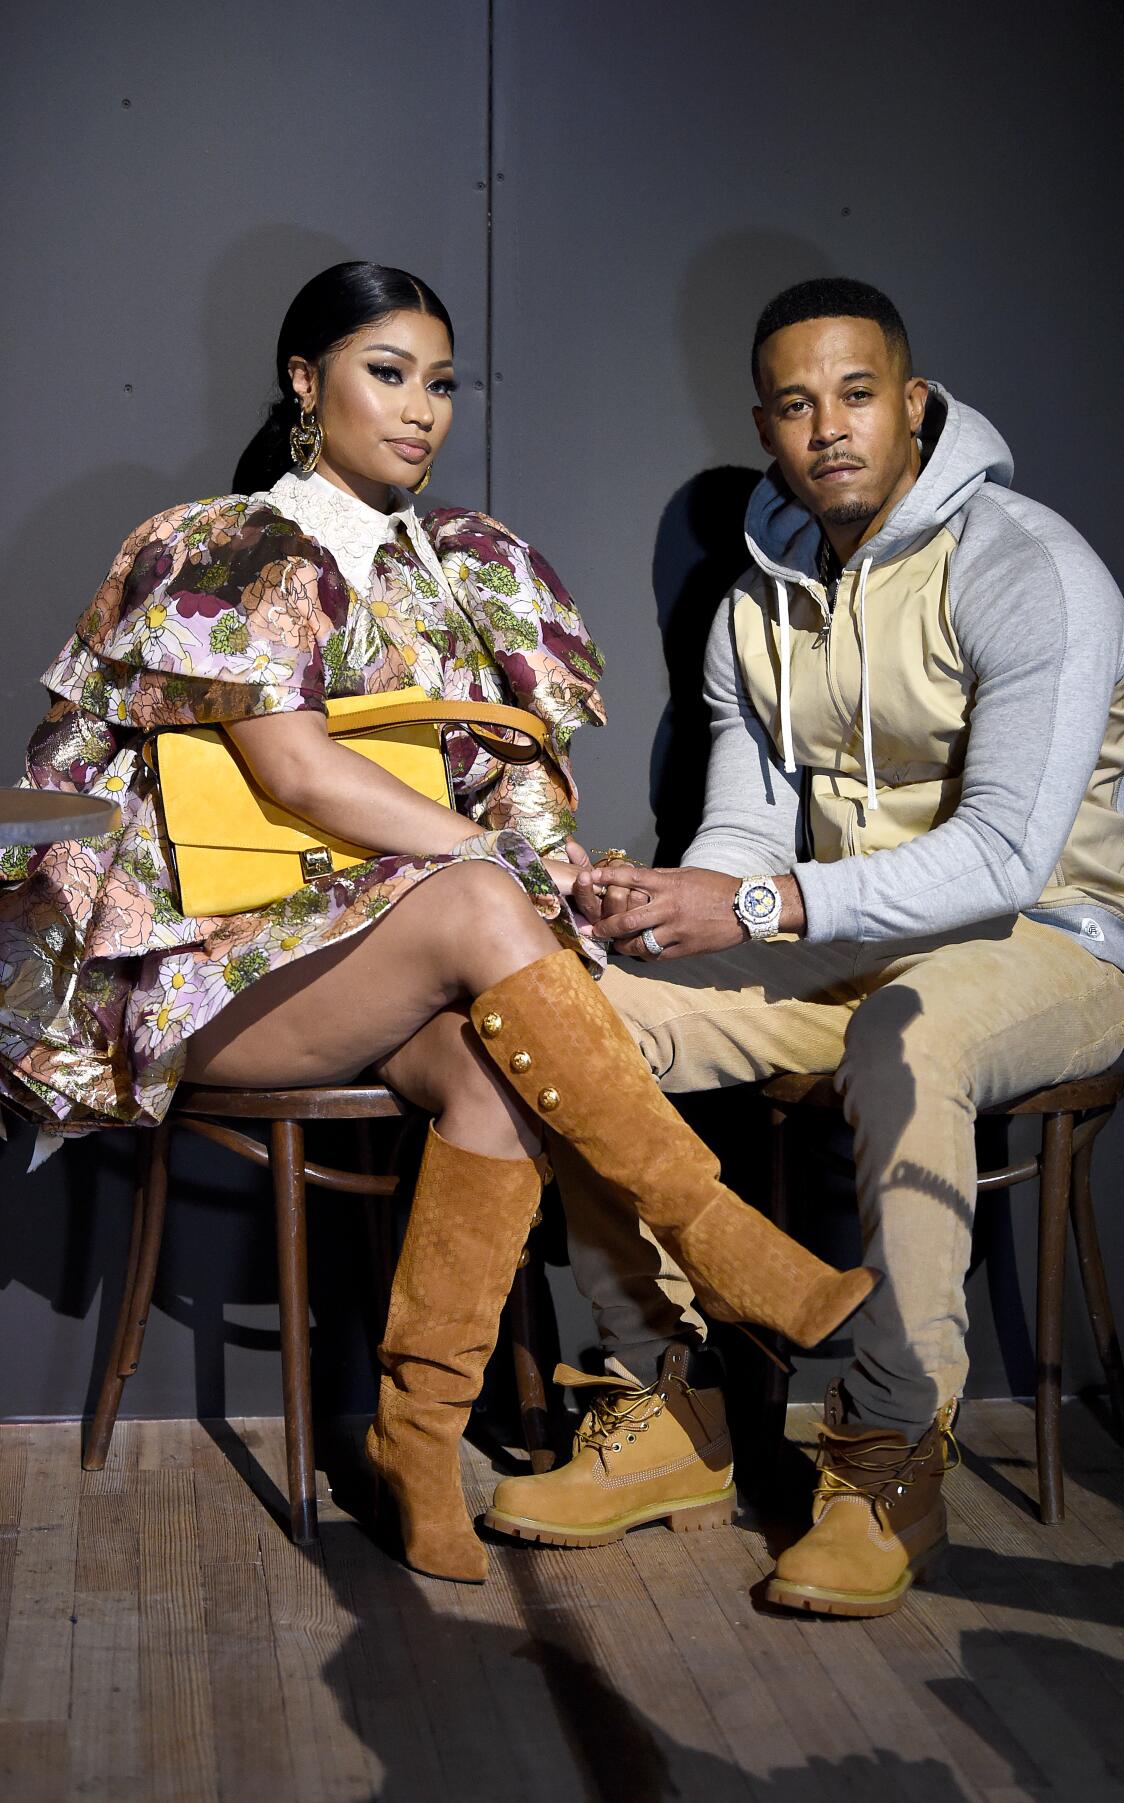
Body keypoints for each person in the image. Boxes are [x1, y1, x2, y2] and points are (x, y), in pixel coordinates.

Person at [0, 261, 876, 1585]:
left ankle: (419, 1439)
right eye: (387, 372)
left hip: (363, 960)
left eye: (442, 383)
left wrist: (561, 876)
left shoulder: (459, 569)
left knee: (492, 1069)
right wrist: (488, 866)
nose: (422, 410)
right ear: (307, 382)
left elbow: (505, 785)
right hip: (208, 976)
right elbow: (295, 773)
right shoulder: (230, 542)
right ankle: (726, 1240)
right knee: (475, 899)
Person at [485, 277, 1124, 1619]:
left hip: (1044, 946)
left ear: (912, 403)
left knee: (916, 1029)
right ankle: (669, 1408)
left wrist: (757, 909)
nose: (829, 429)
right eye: (797, 405)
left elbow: (1005, 858)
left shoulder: (1032, 568)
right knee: (576, 1013)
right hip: (844, 943)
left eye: (857, 395)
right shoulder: (760, 601)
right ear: (765, 423)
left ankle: (893, 1455)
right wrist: (667, 901)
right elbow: (746, 825)